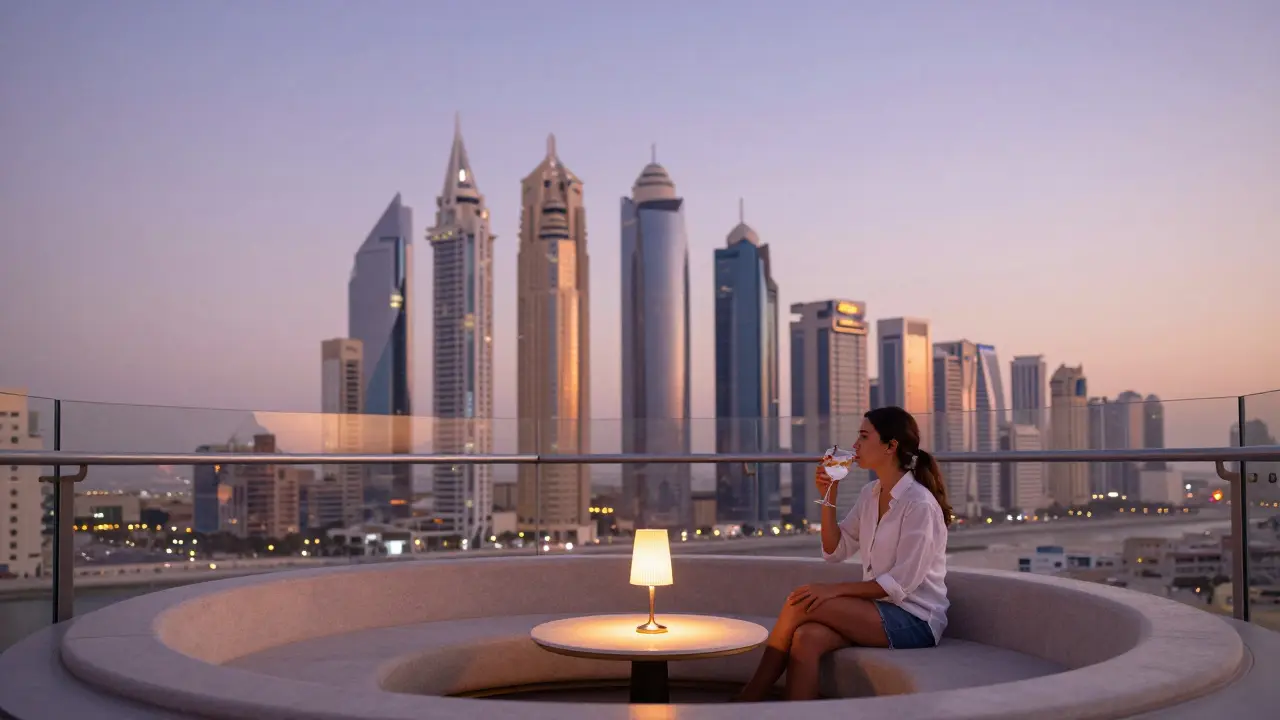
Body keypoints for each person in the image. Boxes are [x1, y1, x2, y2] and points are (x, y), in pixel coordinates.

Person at [735, 406, 952, 702]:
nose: (855, 446)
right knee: (806, 638)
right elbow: (834, 550)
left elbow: (900, 585)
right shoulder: (871, 494)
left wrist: (832, 591)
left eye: (864, 437)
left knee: (800, 603)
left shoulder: (919, 505)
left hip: (915, 620)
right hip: (879, 610)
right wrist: (829, 494)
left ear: (891, 447)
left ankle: (751, 696)